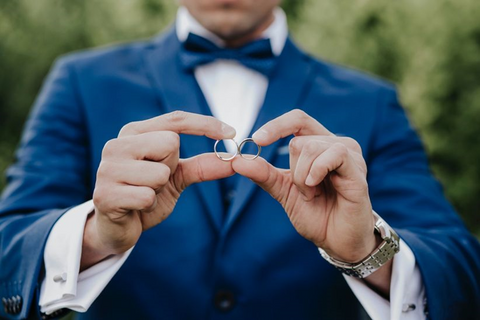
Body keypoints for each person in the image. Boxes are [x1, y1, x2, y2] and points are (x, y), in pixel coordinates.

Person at [0, 0, 479, 319]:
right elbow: (9, 248)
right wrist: (95, 236)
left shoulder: (372, 101)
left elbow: (459, 268)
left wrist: (365, 253)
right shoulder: (81, 81)